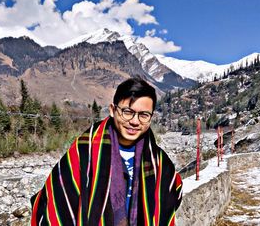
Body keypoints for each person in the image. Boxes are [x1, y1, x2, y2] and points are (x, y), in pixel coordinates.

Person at [31, 76, 183, 226]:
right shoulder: (84, 151)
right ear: (112, 110)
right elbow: (58, 197)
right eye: (128, 112)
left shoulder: (159, 162)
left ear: (150, 118)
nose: (135, 122)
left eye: (144, 115)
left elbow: (171, 194)